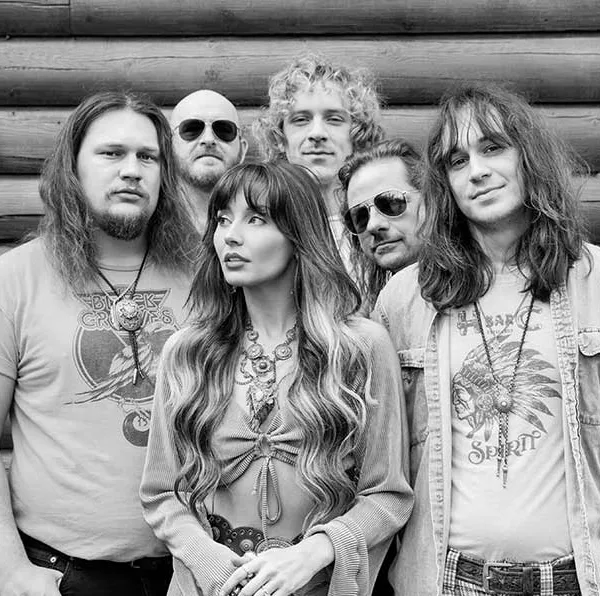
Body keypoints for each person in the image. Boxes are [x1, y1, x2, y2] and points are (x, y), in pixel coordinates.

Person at [140, 161, 413, 596]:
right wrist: (209, 561)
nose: (231, 236)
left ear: (299, 235)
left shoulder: (359, 348)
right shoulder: (187, 352)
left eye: (256, 219)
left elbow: (388, 496)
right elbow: (160, 494)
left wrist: (315, 552)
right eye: (223, 220)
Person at [374, 83, 600, 596]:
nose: (476, 170)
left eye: (493, 147)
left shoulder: (594, 281)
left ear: (529, 157)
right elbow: (378, 461)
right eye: (457, 161)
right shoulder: (406, 299)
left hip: (577, 579)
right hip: (451, 580)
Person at [0, 91, 201, 596]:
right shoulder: (14, 279)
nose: (132, 170)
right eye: (112, 153)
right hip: (62, 574)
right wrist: (10, 570)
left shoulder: (206, 273)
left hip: (194, 568)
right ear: (72, 168)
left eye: (148, 157)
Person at [253, 55, 383, 265]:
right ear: (280, 138)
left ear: (357, 135)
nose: (317, 133)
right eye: (301, 120)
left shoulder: (382, 224)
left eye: (334, 119)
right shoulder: (260, 230)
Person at [338, 138, 424, 312]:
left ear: (433, 200)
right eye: (360, 216)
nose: (373, 225)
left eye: (391, 203)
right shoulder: (371, 317)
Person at [171, 89, 248, 232]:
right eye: (191, 129)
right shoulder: (147, 223)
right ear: (169, 147)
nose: (208, 139)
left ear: (242, 150)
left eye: (224, 130)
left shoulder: (270, 221)